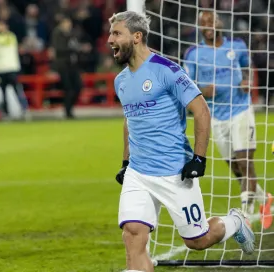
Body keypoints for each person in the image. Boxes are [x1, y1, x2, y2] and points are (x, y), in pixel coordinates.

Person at [109, 11, 255, 272]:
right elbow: (128, 121)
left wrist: (199, 158)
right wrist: (125, 161)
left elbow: (201, 110)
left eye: (117, 33)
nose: (110, 39)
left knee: (197, 240)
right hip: (138, 173)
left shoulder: (167, 70)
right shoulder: (120, 81)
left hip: (174, 172)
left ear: (137, 36)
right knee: (132, 234)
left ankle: (235, 222)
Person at [183, 11, 272, 229]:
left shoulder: (237, 46)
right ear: (200, 28)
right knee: (235, 167)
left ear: (220, 22)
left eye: (211, 21)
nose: (208, 25)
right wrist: (203, 90)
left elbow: (247, 68)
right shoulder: (193, 54)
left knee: (245, 162)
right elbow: (187, 84)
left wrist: (246, 81)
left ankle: (245, 215)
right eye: (203, 23)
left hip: (240, 110)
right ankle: (265, 200)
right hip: (215, 115)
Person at [0, 20, 30, 120]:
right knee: (3, 93)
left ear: (5, 26)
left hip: (11, 68)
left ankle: (25, 110)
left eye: (0, 26)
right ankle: (6, 113)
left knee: (17, 89)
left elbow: (3, 41)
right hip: (0, 69)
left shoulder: (10, 36)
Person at [50, 16, 82, 119]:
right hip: (63, 65)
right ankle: (68, 112)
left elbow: (75, 46)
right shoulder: (57, 34)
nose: (69, 26)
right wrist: (72, 48)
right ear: (62, 24)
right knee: (68, 88)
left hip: (73, 64)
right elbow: (59, 48)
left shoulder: (71, 34)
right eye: (67, 23)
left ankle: (69, 108)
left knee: (78, 86)